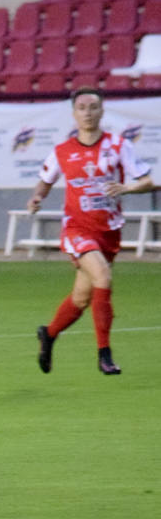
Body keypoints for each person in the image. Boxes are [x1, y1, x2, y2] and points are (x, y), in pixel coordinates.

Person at [29, 86, 154, 376]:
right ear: (74, 114)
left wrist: (128, 187)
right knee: (103, 276)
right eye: (82, 108)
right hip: (77, 229)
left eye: (93, 107)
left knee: (82, 298)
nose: (87, 113)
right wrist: (37, 197)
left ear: (102, 111)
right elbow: (45, 180)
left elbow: (147, 180)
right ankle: (104, 354)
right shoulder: (62, 151)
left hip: (108, 231)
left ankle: (49, 333)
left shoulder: (119, 146)